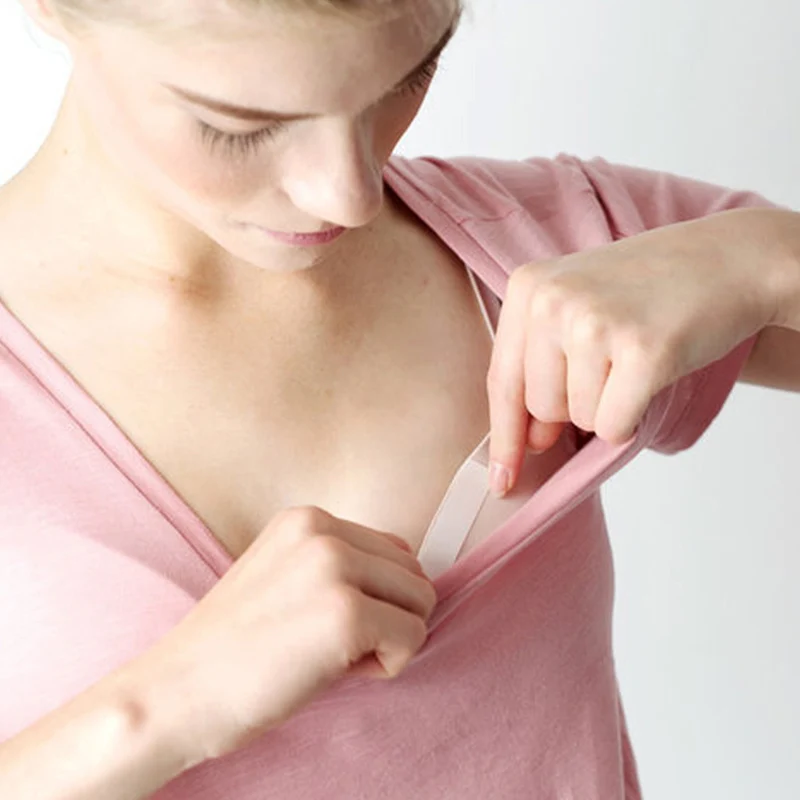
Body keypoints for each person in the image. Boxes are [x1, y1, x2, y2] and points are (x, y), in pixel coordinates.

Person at [0, 0, 798, 798]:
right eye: (241, 126)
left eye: (407, 79)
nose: (348, 196)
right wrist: (162, 708)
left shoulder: (526, 250)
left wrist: (763, 260)